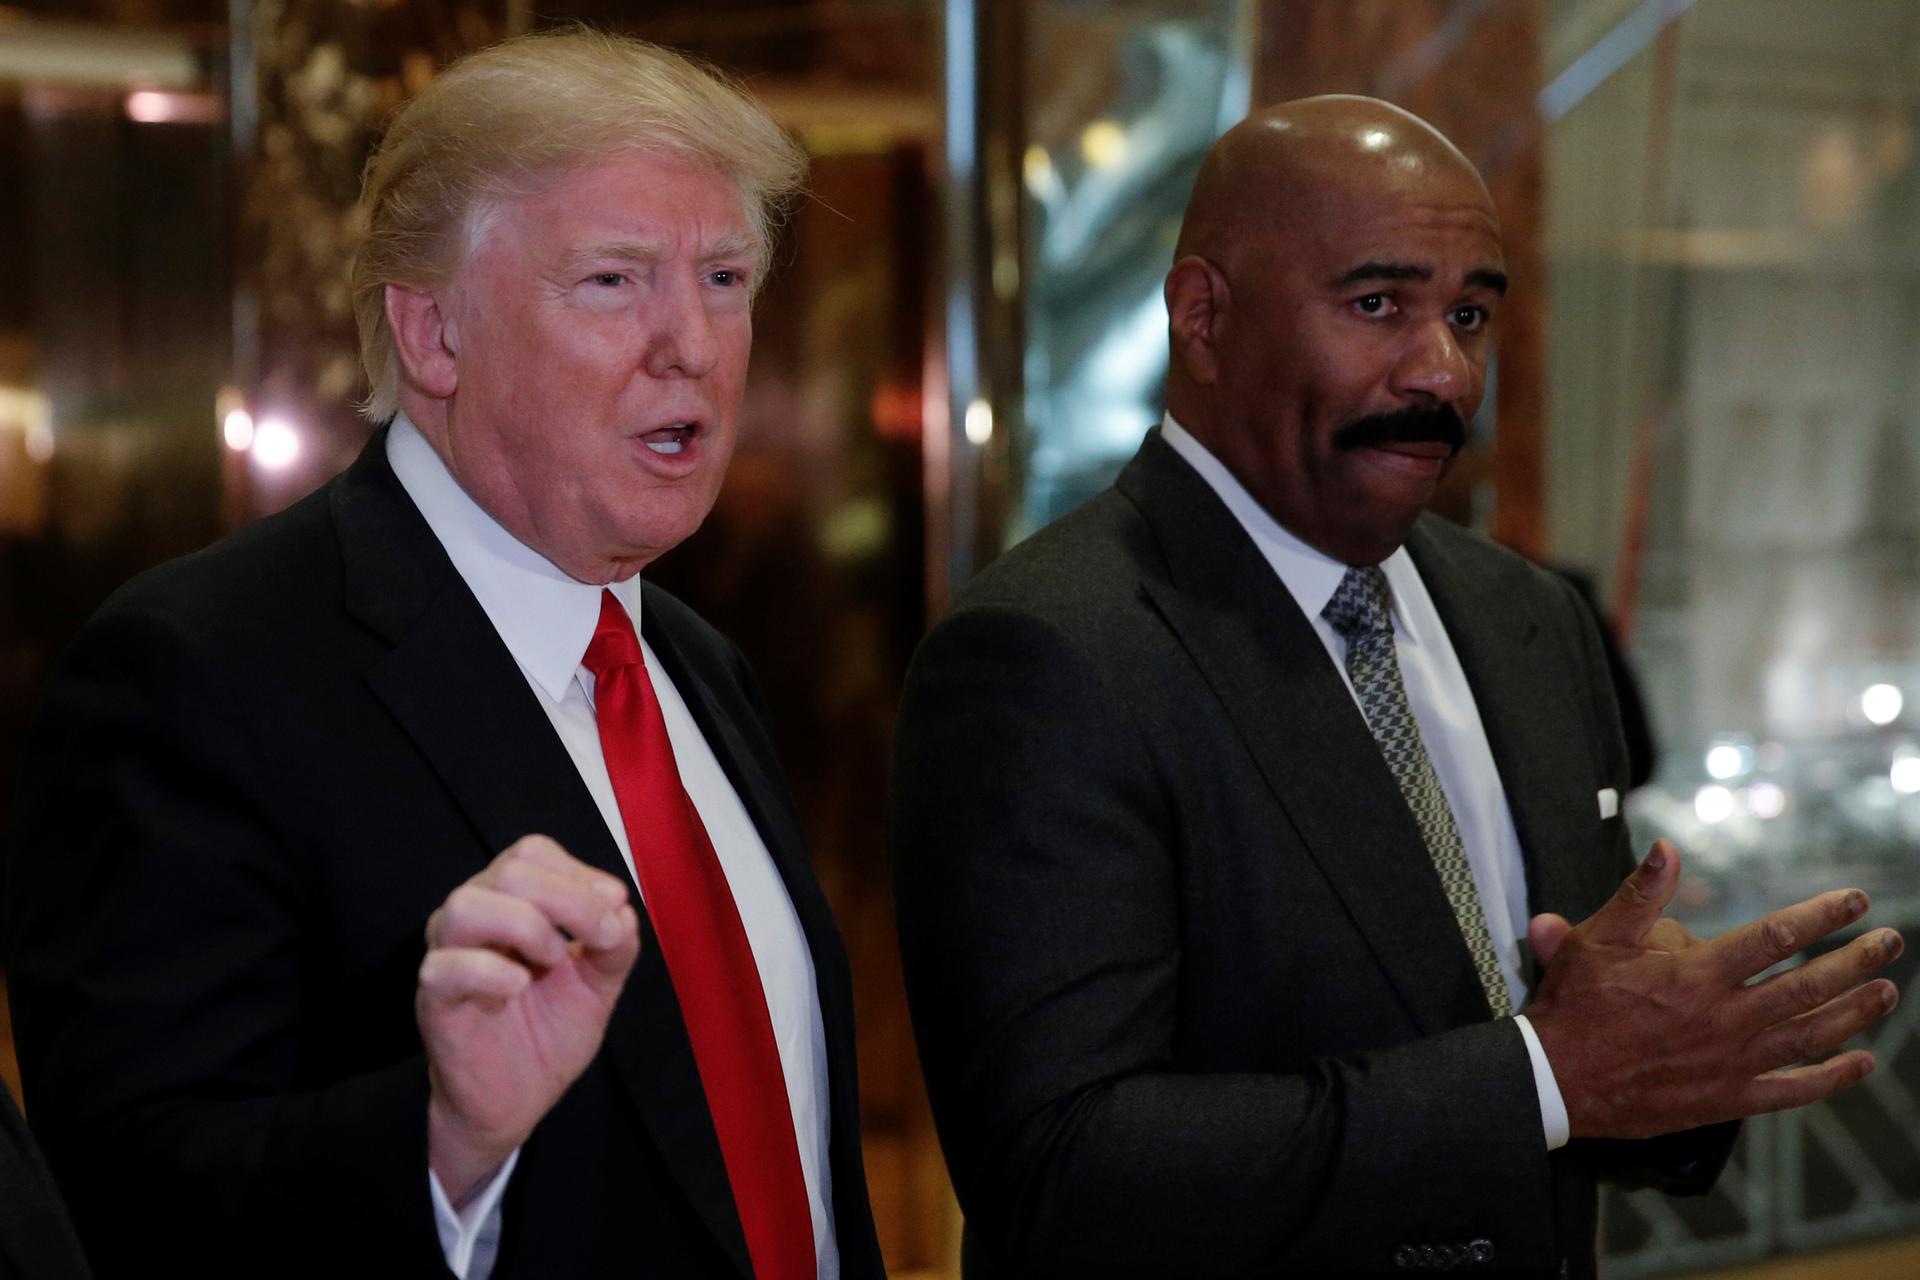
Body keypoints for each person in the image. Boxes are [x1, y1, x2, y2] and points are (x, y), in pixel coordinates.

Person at [888, 96, 1902, 1278]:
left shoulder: (1527, 616)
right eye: (1378, 305)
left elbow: (1584, 1061)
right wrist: (1542, 1077)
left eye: (1469, 313)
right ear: (1204, 317)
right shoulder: (1051, 650)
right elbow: (1062, 1172)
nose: (1444, 372)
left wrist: (1679, 1052)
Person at [3, 30, 883, 1280]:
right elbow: (129, 1203)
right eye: (615, 281)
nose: (692, 342)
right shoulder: (193, 673)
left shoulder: (699, 667)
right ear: (433, 335)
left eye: (727, 277)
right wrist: (443, 1140)